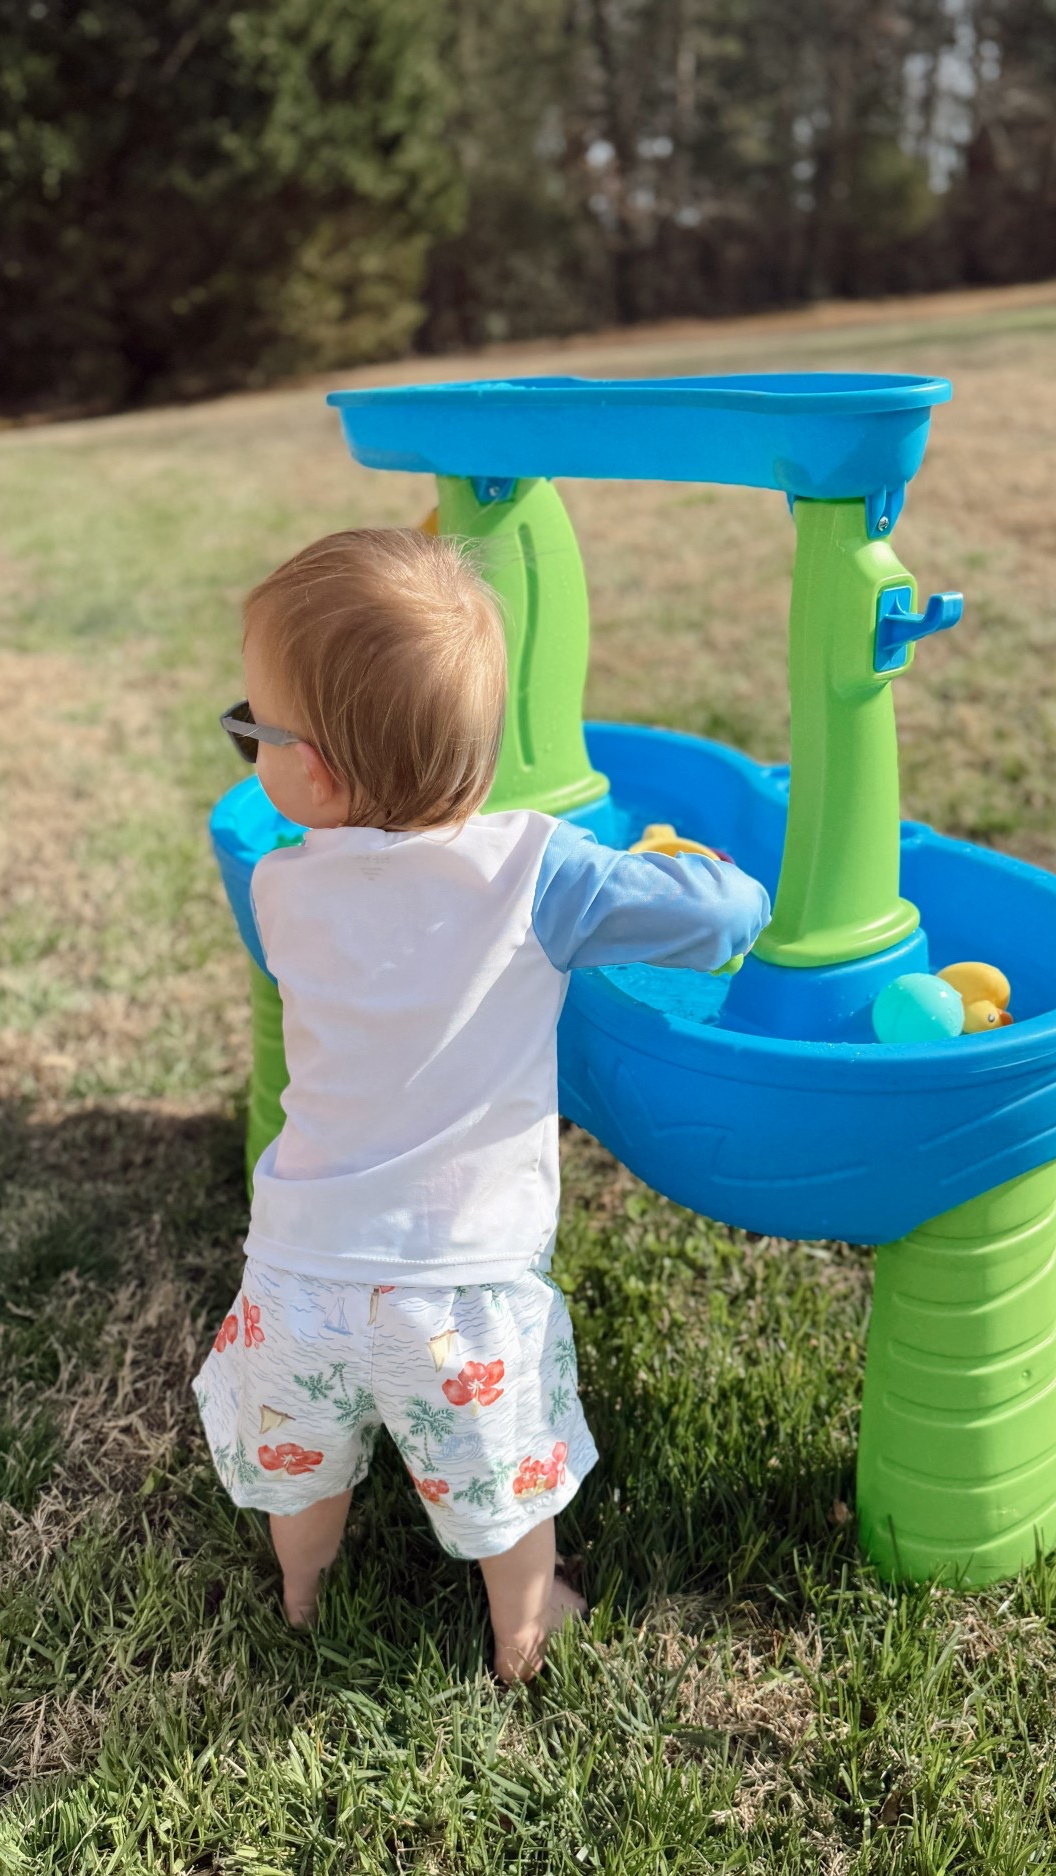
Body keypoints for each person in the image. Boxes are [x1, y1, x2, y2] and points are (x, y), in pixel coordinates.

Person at [193, 528, 770, 1681]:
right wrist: (683, 855)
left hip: (298, 1272)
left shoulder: (282, 881)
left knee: (305, 1465)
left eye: (251, 727)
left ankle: (304, 1591)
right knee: (503, 1481)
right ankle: (524, 1622)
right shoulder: (537, 871)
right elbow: (723, 915)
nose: (247, 743)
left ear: (314, 776)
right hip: (463, 1290)